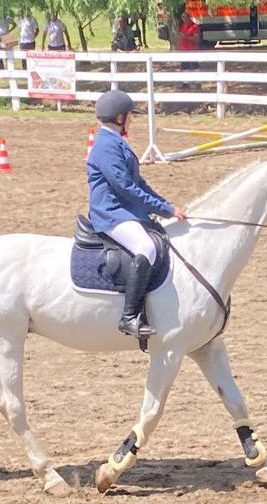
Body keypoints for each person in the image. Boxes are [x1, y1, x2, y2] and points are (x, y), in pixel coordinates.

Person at [86, 90, 187, 337]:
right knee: (147, 247)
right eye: (130, 116)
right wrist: (162, 209)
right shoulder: (107, 146)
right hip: (111, 213)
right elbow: (125, 187)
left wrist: (167, 206)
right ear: (120, 117)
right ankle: (129, 316)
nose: (131, 120)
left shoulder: (117, 142)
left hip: (126, 209)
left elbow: (139, 183)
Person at [178, 12, 202, 88]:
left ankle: (198, 82)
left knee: (194, 65)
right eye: (182, 17)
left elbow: (197, 39)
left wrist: (186, 37)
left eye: (184, 17)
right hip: (184, 50)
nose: (183, 19)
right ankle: (186, 83)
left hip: (192, 49)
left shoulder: (195, 27)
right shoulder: (183, 26)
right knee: (185, 66)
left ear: (189, 17)